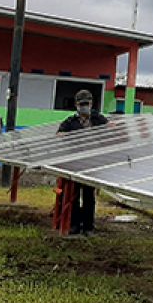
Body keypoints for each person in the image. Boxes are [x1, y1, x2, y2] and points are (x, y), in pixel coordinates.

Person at [56, 89, 108, 235]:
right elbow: (59, 135)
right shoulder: (70, 122)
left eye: (86, 104)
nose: (84, 107)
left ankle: (88, 227)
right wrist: (73, 138)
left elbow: (112, 132)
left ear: (91, 104)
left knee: (89, 197)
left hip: (92, 164)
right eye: (81, 104)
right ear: (76, 105)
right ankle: (74, 225)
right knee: (73, 196)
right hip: (74, 164)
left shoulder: (98, 120)